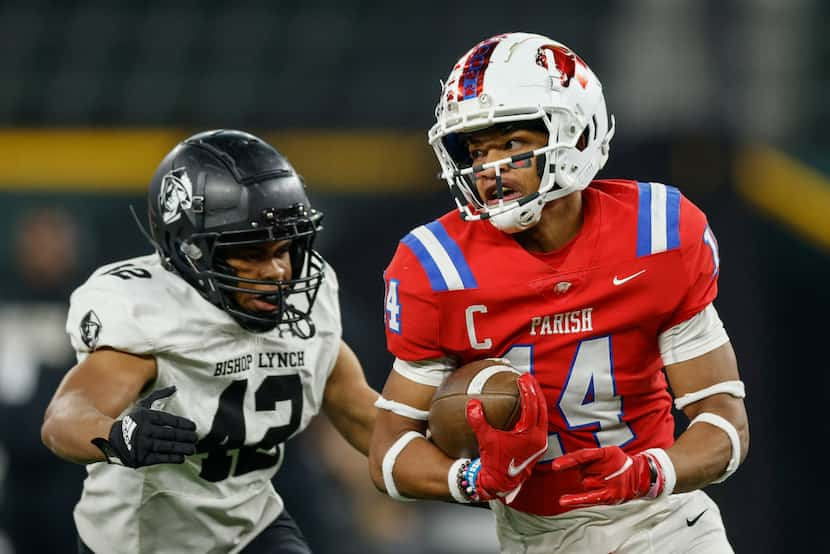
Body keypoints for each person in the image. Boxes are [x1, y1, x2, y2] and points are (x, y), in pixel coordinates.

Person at [368, 32, 749, 553]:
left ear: (577, 133)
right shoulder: (437, 268)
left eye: (512, 145)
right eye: (477, 151)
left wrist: (646, 473)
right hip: (536, 539)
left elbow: (724, 425)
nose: (490, 170)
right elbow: (389, 450)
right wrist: (471, 478)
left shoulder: (657, 234)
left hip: (660, 523)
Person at [41, 129, 379, 554]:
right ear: (191, 252)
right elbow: (64, 418)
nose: (276, 272)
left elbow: (364, 415)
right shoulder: (149, 312)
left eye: (284, 249)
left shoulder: (306, 300)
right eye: (251, 253)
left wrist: (458, 463)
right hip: (142, 542)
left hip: (252, 527)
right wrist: (117, 435)